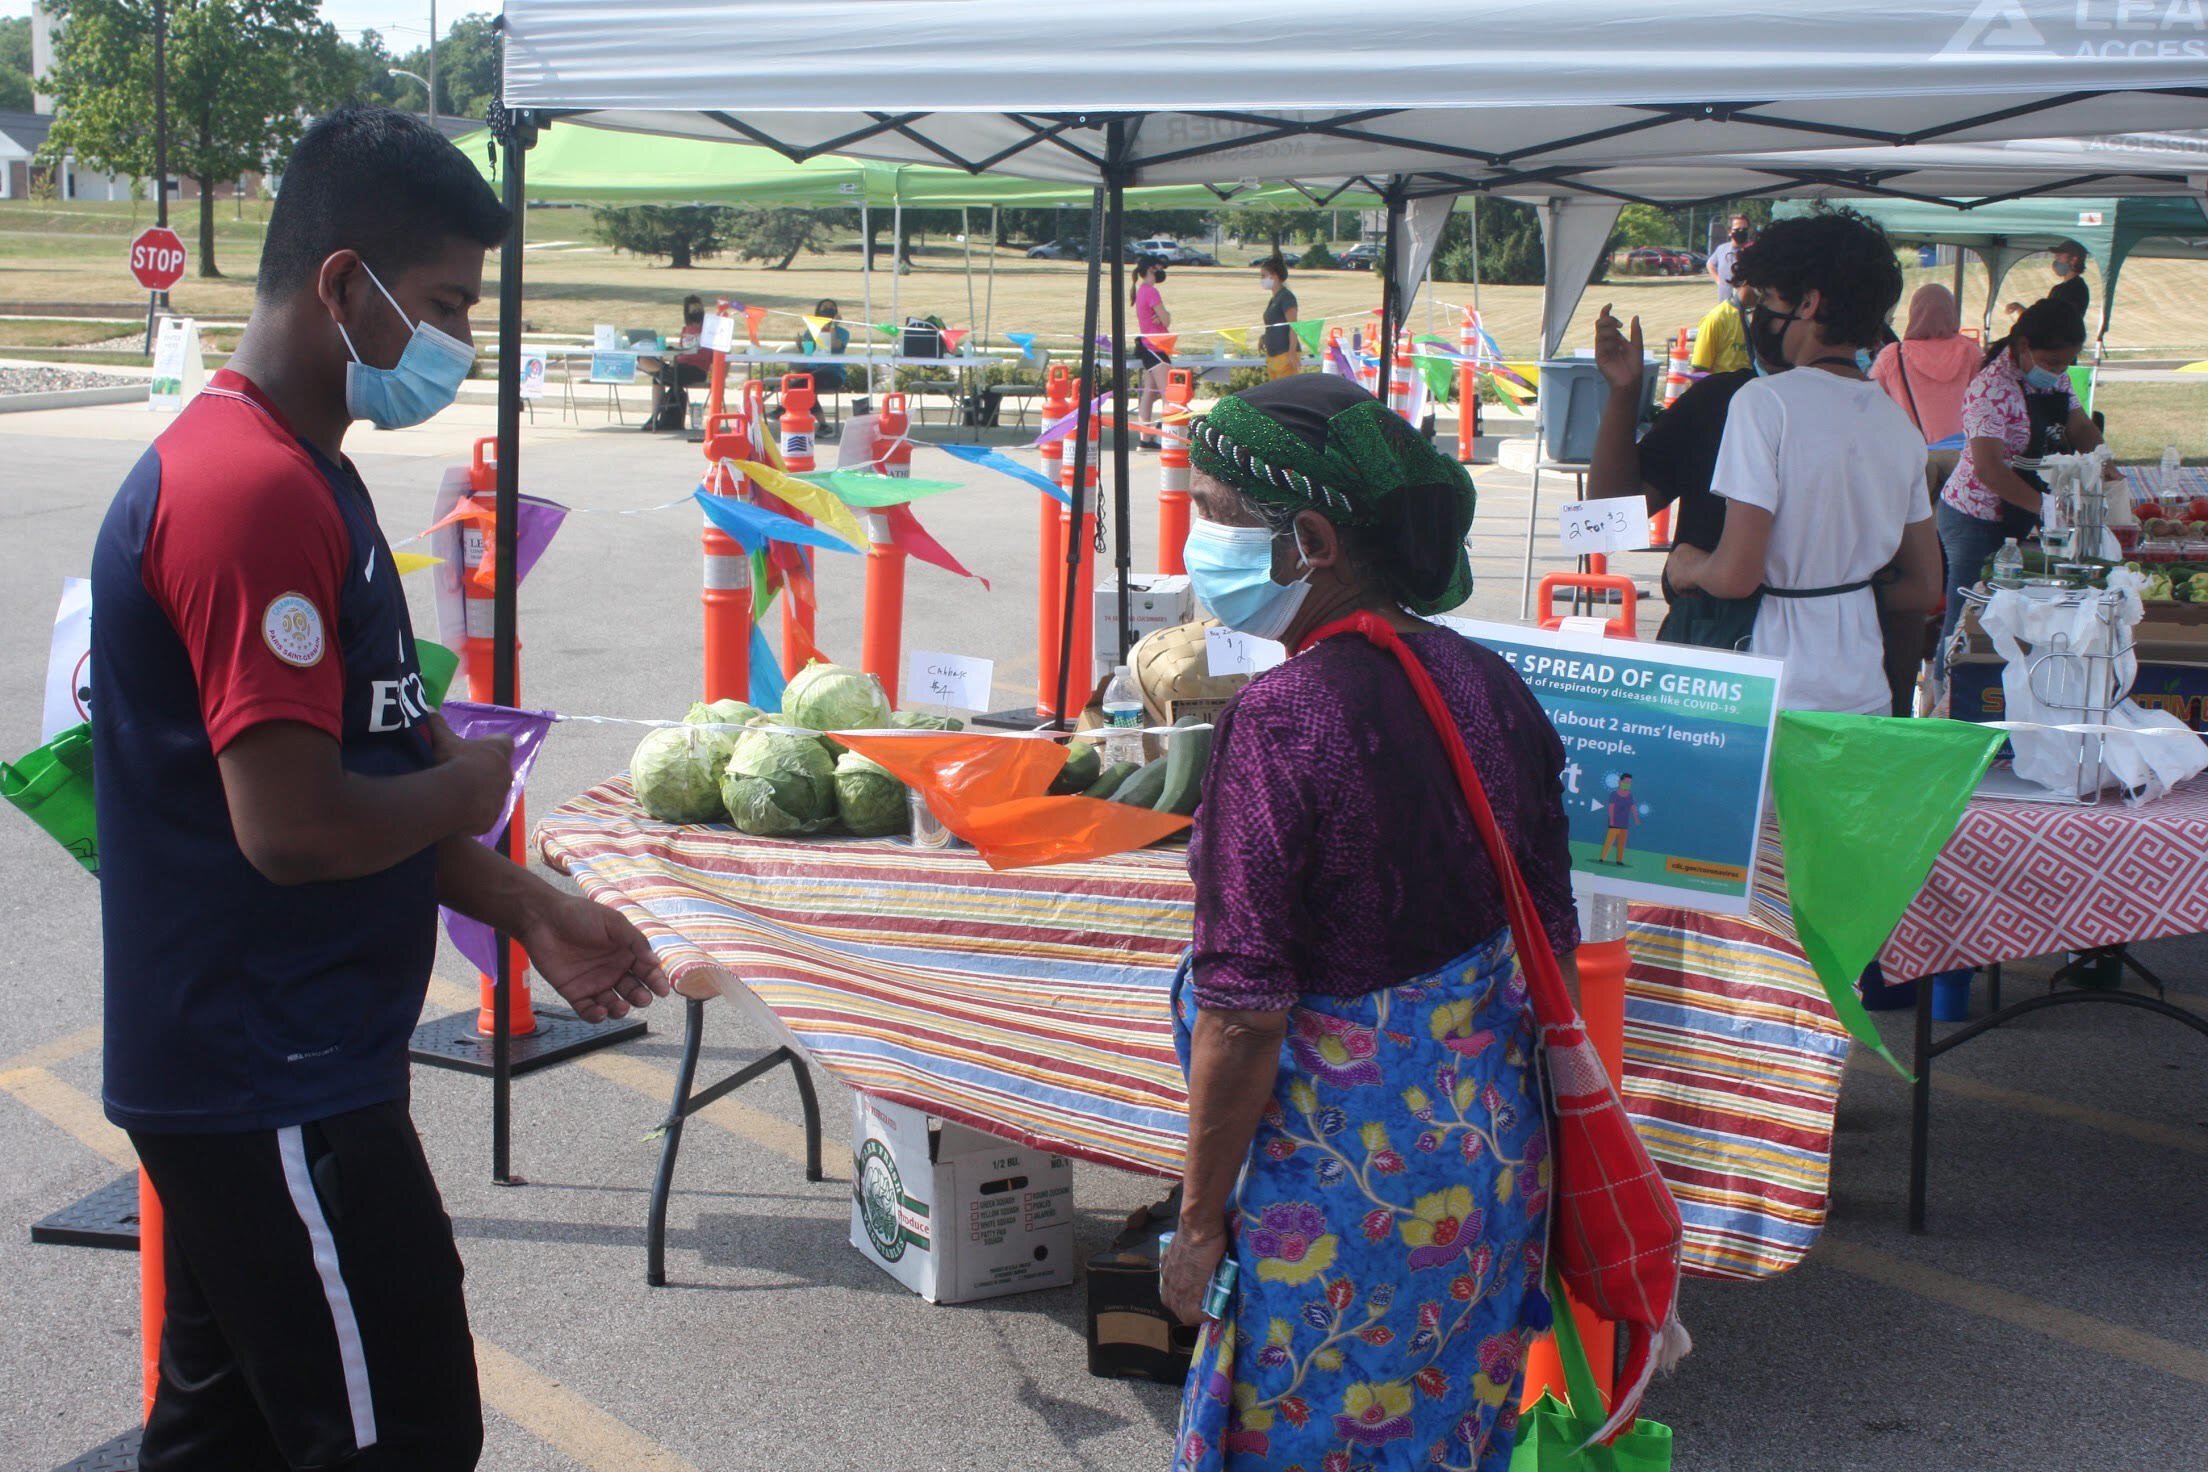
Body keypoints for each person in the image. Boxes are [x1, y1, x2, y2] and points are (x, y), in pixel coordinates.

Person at [87, 106, 670, 1472]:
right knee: (397, 1437)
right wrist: (469, 792)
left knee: (224, 1435)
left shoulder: (311, 473)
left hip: (280, 1061)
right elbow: (293, 830)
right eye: (444, 304)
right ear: (343, 286)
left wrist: (523, 903)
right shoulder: (246, 493)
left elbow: (355, 770)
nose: (457, 342)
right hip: (267, 1074)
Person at [1159, 374, 1577, 1472]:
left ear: (1308, 541)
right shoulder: (1494, 685)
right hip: (1488, 1173)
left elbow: (1244, 1014)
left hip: (1344, 1201)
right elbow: (1554, 953)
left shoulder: (1284, 717)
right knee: (1444, 1432)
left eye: (1210, 510)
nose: (1194, 538)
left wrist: (1199, 1224)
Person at [1664, 209, 1944, 714]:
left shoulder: (1764, 402)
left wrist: (1688, 565)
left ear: (1809, 304)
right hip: (1863, 688)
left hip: (1771, 690)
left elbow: (1735, 575)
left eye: (1769, 300)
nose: (1762, 316)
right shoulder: (1897, 424)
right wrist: (1844, 596)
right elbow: (1924, 586)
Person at [1933, 300, 2115, 679]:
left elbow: (2079, 426)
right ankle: (1944, 688)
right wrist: (2049, 509)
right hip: (1974, 515)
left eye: (2065, 365)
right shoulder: (1989, 389)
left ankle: (1999, 685)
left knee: (2016, 613)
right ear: (2025, 346)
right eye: (2051, 364)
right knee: (1967, 612)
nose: (2058, 372)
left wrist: (2105, 466)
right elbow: (1989, 469)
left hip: (2024, 508)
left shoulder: (2055, 375)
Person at [1586, 301, 1777, 647]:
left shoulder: (1871, 415)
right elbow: (1606, 519)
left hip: (1783, 643)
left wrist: (1699, 568)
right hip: (1708, 637)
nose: (1760, 315)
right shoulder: (1718, 401)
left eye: (1774, 298)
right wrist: (1624, 393)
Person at [1869, 284, 1979, 496]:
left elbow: (1871, 405)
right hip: (1965, 460)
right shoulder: (1971, 352)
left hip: (1916, 461)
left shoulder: (1893, 355)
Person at [642, 293, 712, 432]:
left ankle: (659, 371)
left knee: (659, 376)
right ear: (687, 313)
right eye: (693, 310)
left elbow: (710, 354)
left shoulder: (709, 329)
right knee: (656, 376)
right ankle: (654, 417)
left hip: (697, 369)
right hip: (681, 366)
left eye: (699, 309)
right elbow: (681, 352)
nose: (697, 313)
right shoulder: (685, 330)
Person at [1133, 255, 1175, 446]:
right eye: (1159, 268)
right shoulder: (1151, 292)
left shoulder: (1141, 291)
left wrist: (1162, 316)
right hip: (1156, 348)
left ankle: (1145, 438)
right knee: (1169, 395)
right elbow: (1165, 319)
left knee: (1149, 393)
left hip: (1148, 346)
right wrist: (1165, 316)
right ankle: (1170, 436)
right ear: (1151, 270)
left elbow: (1160, 317)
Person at [2005, 240, 2091, 325]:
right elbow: (2042, 319)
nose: (2056, 257)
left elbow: (2054, 322)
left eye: (2060, 254)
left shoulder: (2077, 289)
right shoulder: (2059, 289)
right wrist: (2019, 308)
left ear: (2074, 259)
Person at [1689, 280, 1756, 375]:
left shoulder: (1762, 317)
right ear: (1746, 281)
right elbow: (1698, 371)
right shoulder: (1716, 318)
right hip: (1725, 388)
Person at [797, 297, 852, 394]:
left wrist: (833, 325)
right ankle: (812, 409)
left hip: (833, 372)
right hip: (813, 370)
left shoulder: (843, 333)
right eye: (825, 307)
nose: (828, 309)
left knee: (803, 386)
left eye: (831, 307)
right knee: (796, 385)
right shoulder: (811, 332)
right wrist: (800, 345)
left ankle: (781, 409)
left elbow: (834, 345)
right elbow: (807, 354)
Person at [1258, 258, 1300, 378]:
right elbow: (1275, 324)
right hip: (1273, 356)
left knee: (1286, 394)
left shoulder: (1286, 297)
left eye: (1263, 276)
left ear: (1274, 276)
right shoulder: (1274, 299)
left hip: (1285, 355)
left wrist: (1292, 353)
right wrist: (1264, 337)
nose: (1261, 280)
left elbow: (1294, 326)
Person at [1705, 215, 1751, 299]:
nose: (1741, 232)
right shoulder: (1722, 249)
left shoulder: (1753, 250)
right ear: (1729, 231)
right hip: (1724, 302)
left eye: (1744, 229)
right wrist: (1718, 280)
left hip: (1746, 305)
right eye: (1737, 229)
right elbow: (1710, 264)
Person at [1598, 774, 1639, 864]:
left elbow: (1633, 807)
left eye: (1629, 783)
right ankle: (1602, 858)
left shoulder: (1629, 796)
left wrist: (1636, 818)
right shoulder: (1614, 794)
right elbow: (1611, 807)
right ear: (1620, 782)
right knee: (1609, 841)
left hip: (1624, 825)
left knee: (1621, 843)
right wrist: (1611, 820)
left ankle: (1619, 860)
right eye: (1626, 782)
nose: (1628, 784)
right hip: (1614, 824)